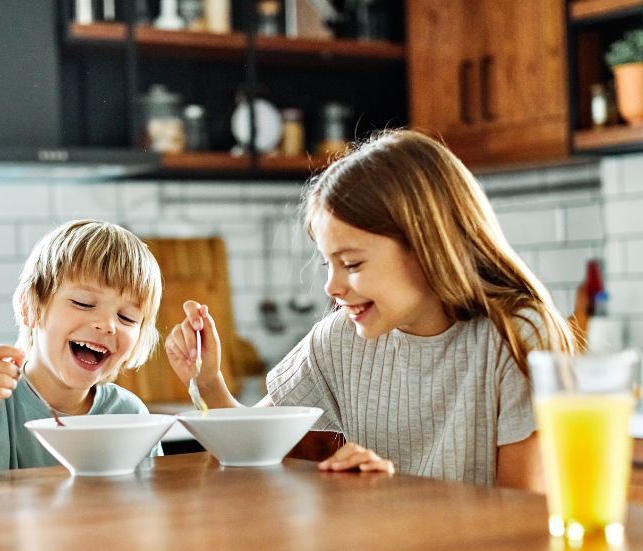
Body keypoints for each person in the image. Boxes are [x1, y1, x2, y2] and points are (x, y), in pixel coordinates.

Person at [165, 129, 573, 492]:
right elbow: (249, 448)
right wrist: (210, 381)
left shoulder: (517, 335)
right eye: (328, 263)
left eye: (353, 264)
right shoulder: (340, 338)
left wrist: (391, 496)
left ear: (427, 247)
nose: (332, 286)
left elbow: (525, 519)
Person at [0, 220, 163, 475]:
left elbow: (151, 500)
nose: (108, 325)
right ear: (29, 308)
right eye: (83, 303)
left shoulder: (130, 416)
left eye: (127, 317)